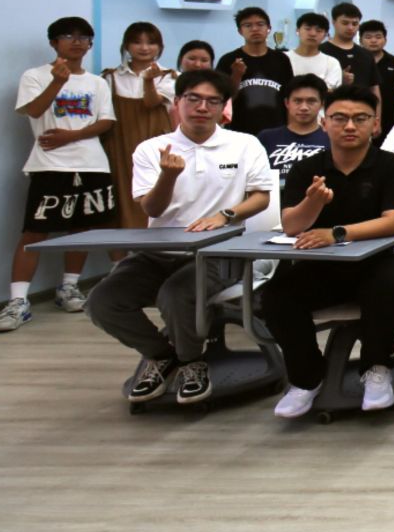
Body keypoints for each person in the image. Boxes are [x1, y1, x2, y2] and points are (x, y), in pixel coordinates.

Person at [85, 68, 275, 402]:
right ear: (177, 102)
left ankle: (191, 361)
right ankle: (162, 355)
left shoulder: (245, 144)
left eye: (212, 101)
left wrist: (225, 216)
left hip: (219, 252)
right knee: (102, 301)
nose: (202, 107)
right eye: (193, 99)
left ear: (223, 107)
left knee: (175, 294)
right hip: (158, 252)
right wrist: (168, 176)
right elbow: (152, 208)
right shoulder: (152, 149)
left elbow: (261, 197)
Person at [257, 84, 394, 418]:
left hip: (385, 260)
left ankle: (376, 369)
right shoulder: (306, 169)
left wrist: (336, 234)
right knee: (276, 295)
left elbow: (393, 222)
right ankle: (306, 378)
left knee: (384, 286)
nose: (349, 126)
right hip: (324, 266)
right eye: (339, 118)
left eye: (360, 118)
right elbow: (291, 226)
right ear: (324, 122)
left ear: (375, 124)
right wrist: (312, 203)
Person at [0, 17, 118, 331]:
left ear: (90, 44)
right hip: (48, 164)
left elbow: (106, 121)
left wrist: (71, 135)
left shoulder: (97, 83)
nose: (76, 42)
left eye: (84, 37)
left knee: (81, 230)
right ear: (54, 42)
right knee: (34, 232)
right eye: (68, 36)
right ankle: (17, 301)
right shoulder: (35, 75)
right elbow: (33, 110)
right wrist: (56, 82)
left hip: (92, 164)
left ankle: (69, 287)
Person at [101, 21, 176, 232]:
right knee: (120, 194)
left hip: (155, 139)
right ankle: (120, 252)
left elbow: (151, 103)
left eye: (151, 42)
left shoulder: (170, 76)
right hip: (119, 142)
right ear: (126, 46)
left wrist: (149, 81)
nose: (144, 48)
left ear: (160, 47)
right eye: (137, 42)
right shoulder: (110, 77)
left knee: (154, 189)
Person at [220, 6, 294, 135]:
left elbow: (290, 97)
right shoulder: (228, 60)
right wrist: (236, 75)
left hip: (276, 129)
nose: (255, 29)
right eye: (248, 25)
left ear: (268, 28)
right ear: (240, 31)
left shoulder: (281, 59)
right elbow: (222, 100)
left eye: (260, 24)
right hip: (238, 131)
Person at [257, 76, 332, 181]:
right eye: (297, 101)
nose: (304, 107)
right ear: (287, 103)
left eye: (311, 101)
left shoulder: (331, 138)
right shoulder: (266, 138)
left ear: (322, 104)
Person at [357, 19, 394, 136]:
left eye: (378, 37)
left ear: (385, 40)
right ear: (360, 40)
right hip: (359, 112)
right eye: (368, 37)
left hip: (389, 116)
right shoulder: (356, 61)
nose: (373, 40)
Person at [320, 2, 374, 94]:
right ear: (334, 22)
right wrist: (338, 80)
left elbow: (374, 88)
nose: (350, 28)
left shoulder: (366, 54)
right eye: (345, 23)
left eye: (355, 24)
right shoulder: (321, 51)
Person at [284, 12, 343, 91]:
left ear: (325, 35)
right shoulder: (283, 58)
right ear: (297, 30)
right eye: (307, 29)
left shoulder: (331, 63)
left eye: (319, 31)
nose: (312, 34)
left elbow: (330, 91)